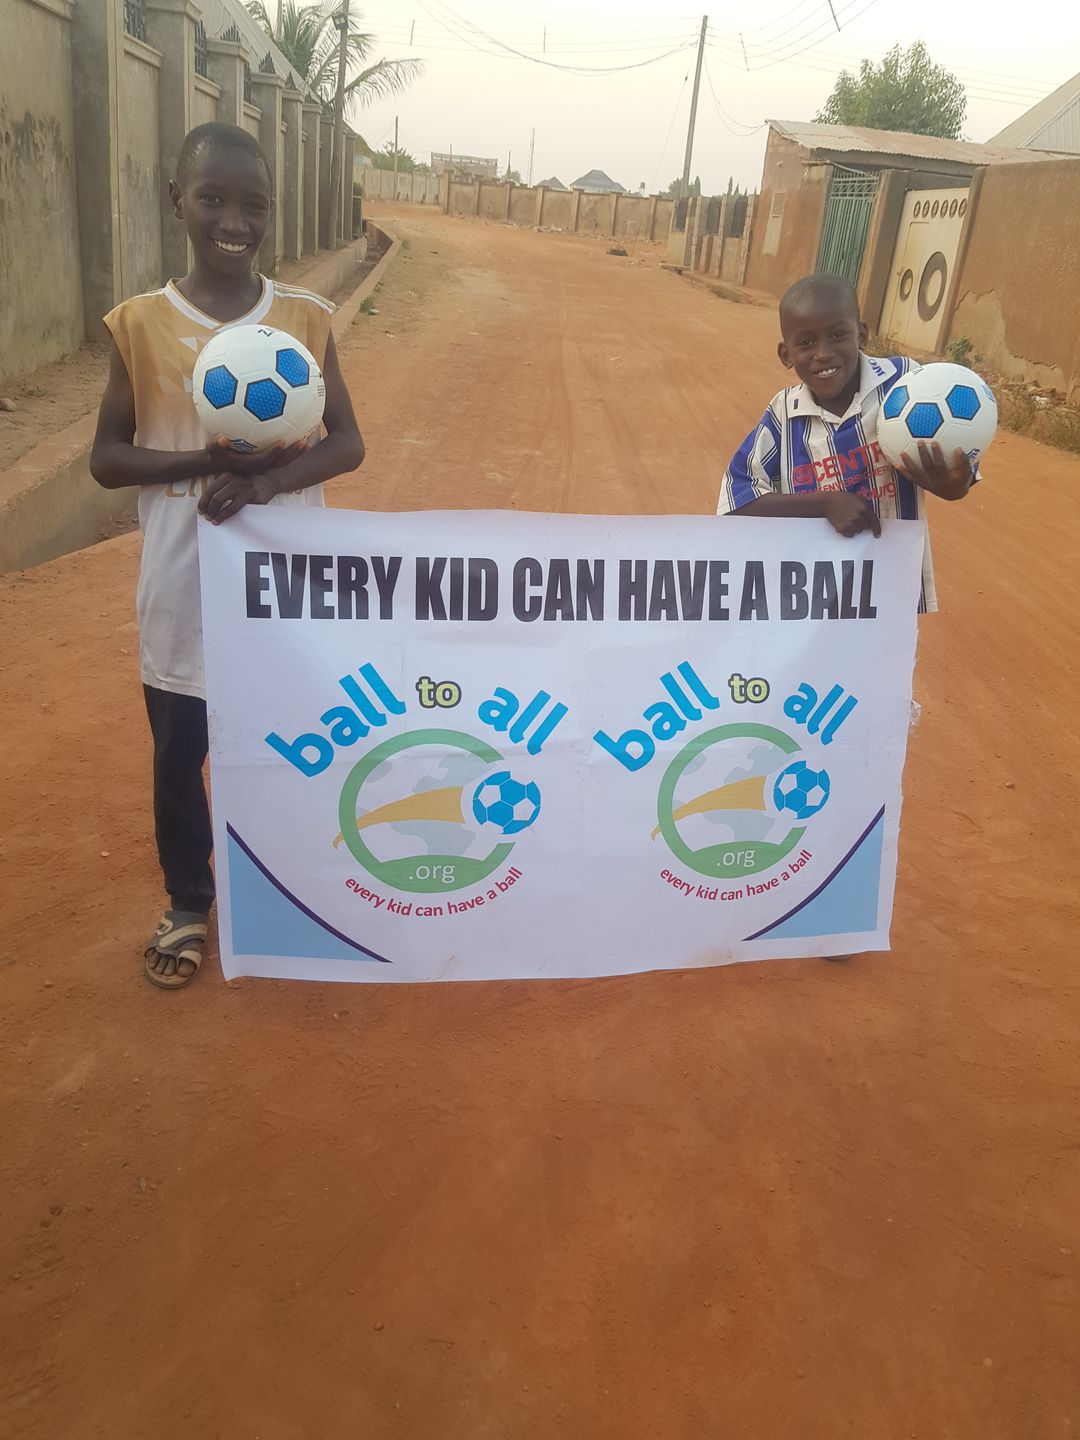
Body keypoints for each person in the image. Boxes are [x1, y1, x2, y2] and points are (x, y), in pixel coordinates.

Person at [90, 122, 365, 989]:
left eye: (253, 205)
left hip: (285, 589)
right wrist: (206, 462)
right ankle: (188, 900)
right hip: (183, 585)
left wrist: (269, 484)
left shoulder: (305, 319)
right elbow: (107, 459)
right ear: (179, 202)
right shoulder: (139, 324)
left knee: (296, 745)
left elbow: (348, 442)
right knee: (181, 755)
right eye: (212, 198)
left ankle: (296, 893)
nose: (233, 221)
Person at [716, 273, 975, 612]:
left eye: (838, 335)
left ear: (862, 335)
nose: (823, 354)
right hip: (810, 595)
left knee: (885, 648)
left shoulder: (904, 385)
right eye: (806, 343)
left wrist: (954, 486)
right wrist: (824, 504)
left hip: (888, 587)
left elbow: (957, 472)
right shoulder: (783, 414)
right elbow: (737, 502)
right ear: (786, 354)